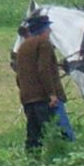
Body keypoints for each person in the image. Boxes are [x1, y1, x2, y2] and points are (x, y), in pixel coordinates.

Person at [14, 15, 70, 151]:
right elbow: (44, 69)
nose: (50, 31)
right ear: (43, 29)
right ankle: (60, 160)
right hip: (44, 99)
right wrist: (52, 94)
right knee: (58, 133)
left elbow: (19, 75)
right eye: (48, 28)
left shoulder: (23, 47)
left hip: (28, 99)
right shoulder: (44, 43)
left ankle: (33, 162)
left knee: (34, 135)